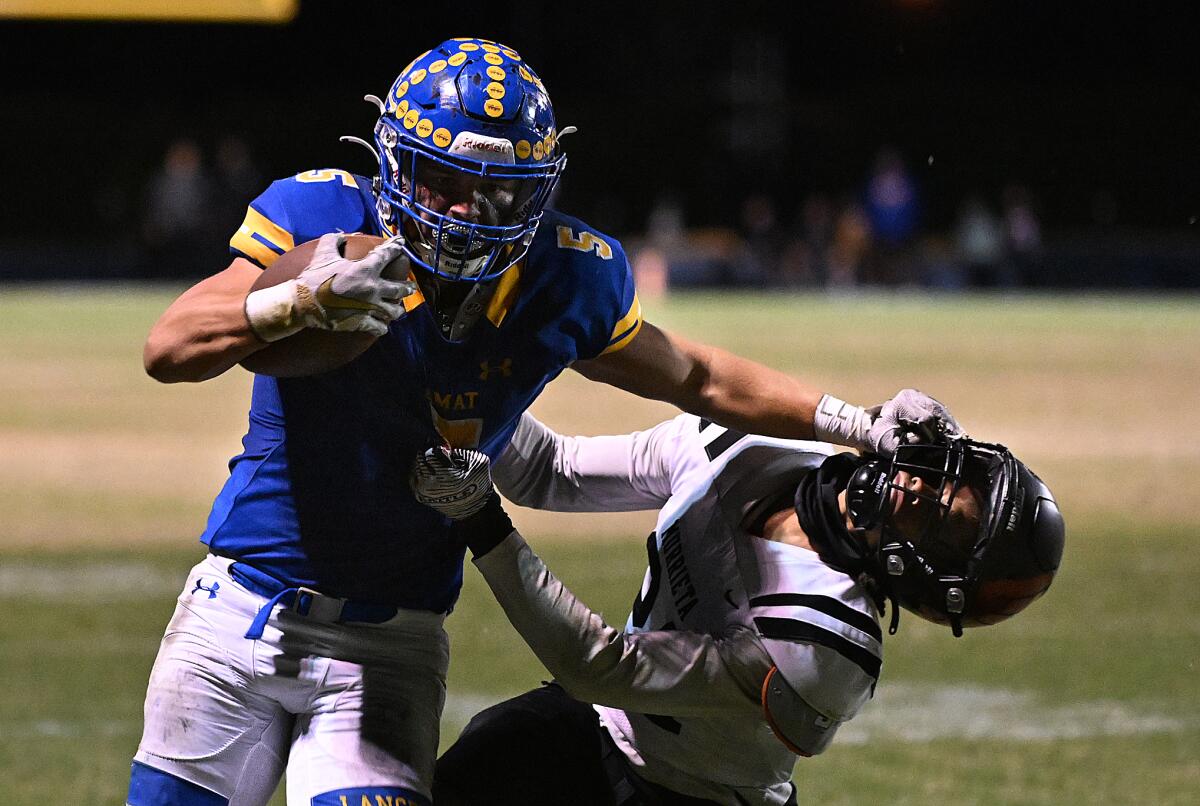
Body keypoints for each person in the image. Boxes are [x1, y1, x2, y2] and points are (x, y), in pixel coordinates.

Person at [131, 37, 960, 806]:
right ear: (394, 162)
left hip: (386, 651)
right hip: (237, 610)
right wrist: (297, 298)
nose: (465, 210)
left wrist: (861, 425)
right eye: (443, 181)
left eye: (494, 190)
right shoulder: (321, 217)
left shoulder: (563, 276)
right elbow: (169, 346)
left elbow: (697, 376)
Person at [412, 413, 1065, 805]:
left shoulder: (825, 651)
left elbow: (597, 665)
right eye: (949, 476)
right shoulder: (761, 445)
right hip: (595, 728)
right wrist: (465, 390)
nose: (918, 486)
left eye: (942, 521)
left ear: (931, 579)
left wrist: (478, 516)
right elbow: (553, 469)